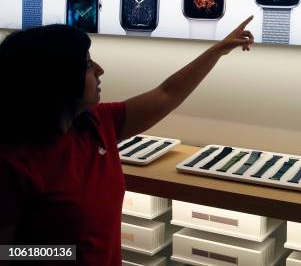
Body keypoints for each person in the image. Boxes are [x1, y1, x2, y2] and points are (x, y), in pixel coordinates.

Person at [0, 16, 254, 264]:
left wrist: (218, 50)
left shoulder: (97, 124)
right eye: (88, 64)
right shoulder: (11, 163)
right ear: (57, 78)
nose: (100, 70)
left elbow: (167, 94)